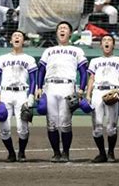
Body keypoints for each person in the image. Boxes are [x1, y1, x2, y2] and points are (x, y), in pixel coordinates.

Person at [36, 21, 88, 163]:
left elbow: (83, 72)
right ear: (57, 32)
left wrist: (81, 89)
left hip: (67, 86)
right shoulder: (48, 50)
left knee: (65, 123)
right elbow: (41, 70)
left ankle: (65, 152)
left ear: (70, 33)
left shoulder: (77, 51)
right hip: (50, 86)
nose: (62, 30)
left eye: (65, 28)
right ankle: (56, 153)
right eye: (60, 28)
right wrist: (39, 87)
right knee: (51, 123)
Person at [0, 31, 37, 162]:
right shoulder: (2, 58)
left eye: (20, 36)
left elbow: (34, 79)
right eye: (14, 36)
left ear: (23, 41)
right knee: (4, 128)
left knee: (22, 127)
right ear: (11, 41)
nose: (17, 37)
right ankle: (11, 153)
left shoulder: (29, 59)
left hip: (22, 93)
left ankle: (22, 152)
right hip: (5, 93)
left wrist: (31, 95)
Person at [85, 34, 119, 163]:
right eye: (104, 40)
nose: (107, 42)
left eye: (109, 40)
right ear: (100, 45)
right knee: (97, 126)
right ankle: (102, 153)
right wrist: (88, 94)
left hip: (112, 90)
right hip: (97, 92)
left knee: (111, 127)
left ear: (113, 44)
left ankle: (111, 153)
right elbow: (91, 78)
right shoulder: (94, 61)